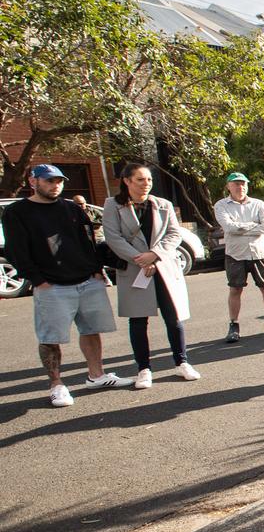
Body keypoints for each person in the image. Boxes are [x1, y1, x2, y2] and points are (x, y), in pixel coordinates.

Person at [2, 164, 132, 406]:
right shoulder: (18, 212)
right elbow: (15, 250)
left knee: (92, 330)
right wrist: (37, 280)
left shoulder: (71, 208)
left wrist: (96, 269)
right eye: (49, 181)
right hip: (51, 285)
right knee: (50, 337)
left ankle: (97, 375)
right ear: (33, 182)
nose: (55, 185)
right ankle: (56, 385)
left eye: (59, 181)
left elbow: (88, 239)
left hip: (87, 280)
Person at [102, 163, 200, 389]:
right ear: (126, 181)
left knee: (173, 317)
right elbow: (113, 238)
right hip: (135, 268)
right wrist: (140, 258)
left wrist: (154, 255)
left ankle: (181, 362)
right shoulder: (112, 205)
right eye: (140, 180)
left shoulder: (162, 204)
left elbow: (174, 234)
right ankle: (143, 369)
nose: (146, 184)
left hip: (163, 266)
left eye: (149, 180)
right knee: (138, 320)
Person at [215, 172, 264, 343]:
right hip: (235, 253)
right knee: (235, 289)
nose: (240, 187)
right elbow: (228, 227)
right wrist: (253, 226)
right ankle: (234, 325)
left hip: (259, 253)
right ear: (228, 186)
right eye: (236, 184)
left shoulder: (258, 204)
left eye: (243, 184)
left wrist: (240, 227)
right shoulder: (221, 205)